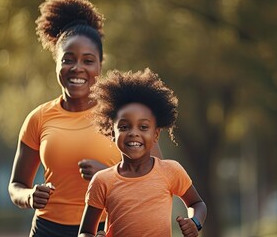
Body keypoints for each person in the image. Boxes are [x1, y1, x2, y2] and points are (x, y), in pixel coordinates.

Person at [7, 0, 162, 236]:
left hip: (107, 229)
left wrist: (109, 174)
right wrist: (29, 196)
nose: (77, 68)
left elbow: (158, 181)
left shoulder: (124, 116)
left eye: (88, 61)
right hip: (47, 230)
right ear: (57, 63)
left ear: (100, 65)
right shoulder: (38, 118)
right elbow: (16, 186)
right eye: (68, 59)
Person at [78, 68, 207, 237]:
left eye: (143, 127)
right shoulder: (102, 180)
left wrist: (195, 223)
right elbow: (85, 232)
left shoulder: (171, 171)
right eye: (124, 127)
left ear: (155, 134)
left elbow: (197, 203)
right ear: (112, 132)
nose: (133, 133)